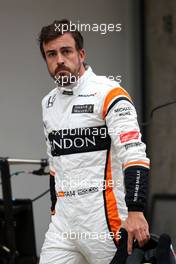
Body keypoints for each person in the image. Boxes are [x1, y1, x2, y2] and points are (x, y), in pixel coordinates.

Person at [38, 19, 150, 264]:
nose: (59, 60)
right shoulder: (48, 104)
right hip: (64, 225)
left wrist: (136, 211)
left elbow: (135, 155)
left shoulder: (109, 93)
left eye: (66, 51)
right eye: (51, 54)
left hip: (105, 220)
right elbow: (54, 166)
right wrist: (55, 211)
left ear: (81, 53)